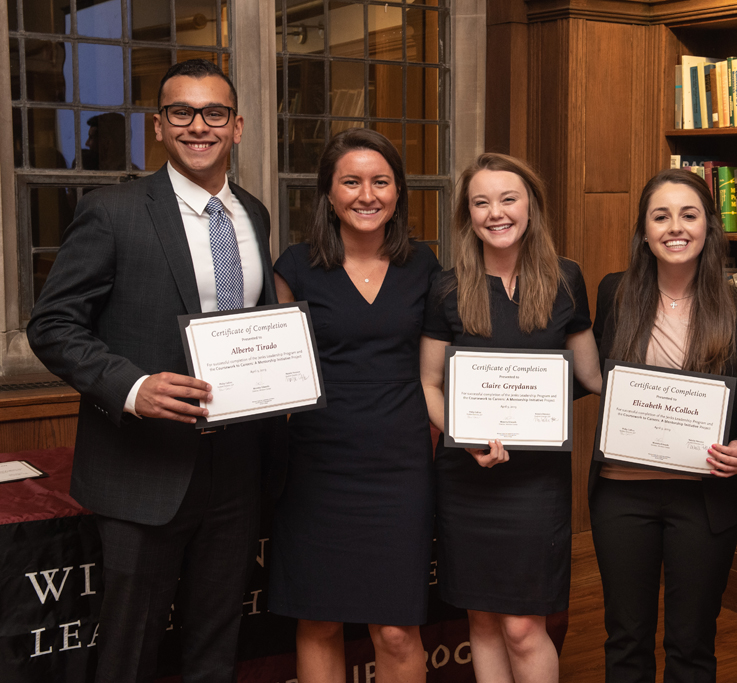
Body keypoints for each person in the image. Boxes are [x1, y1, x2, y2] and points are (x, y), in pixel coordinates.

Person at [27, 59, 282, 682]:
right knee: (129, 650)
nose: (200, 126)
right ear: (159, 126)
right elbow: (52, 325)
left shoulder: (253, 214)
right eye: (182, 113)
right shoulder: (113, 211)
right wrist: (134, 388)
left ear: (238, 127)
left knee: (215, 644)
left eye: (214, 113)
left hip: (235, 471)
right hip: (143, 469)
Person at [420, 153, 603, 683]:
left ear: (531, 207)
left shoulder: (566, 279)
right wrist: (464, 434)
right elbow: (429, 383)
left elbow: (592, 376)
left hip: (535, 483)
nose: (495, 213)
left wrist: (666, 404)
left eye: (508, 199)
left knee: (523, 626)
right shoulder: (449, 287)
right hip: (467, 476)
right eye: (481, 202)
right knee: (480, 620)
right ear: (468, 214)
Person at [268, 128, 440, 683]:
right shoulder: (293, 267)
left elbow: (443, 369)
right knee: (319, 619)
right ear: (329, 194)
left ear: (398, 193)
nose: (367, 195)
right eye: (351, 182)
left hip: (400, 464)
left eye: (381, 181)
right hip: (318, 465)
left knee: (395, 629)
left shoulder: (427, 266)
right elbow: (272, 369)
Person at [589, 168, 737, 683]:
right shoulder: (615, 294)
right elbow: (594, 372)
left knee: (692, 643)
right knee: (626, 639)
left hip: (705, 499)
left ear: (709, 227)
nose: (675, 227)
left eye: (689, 215)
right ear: (643, 231)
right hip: (622, 497)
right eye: (660, 216)